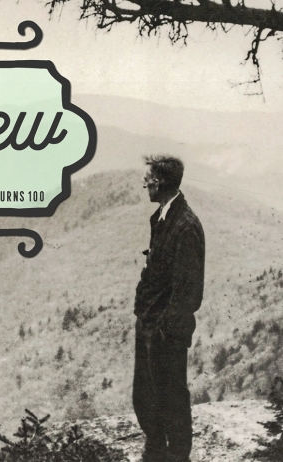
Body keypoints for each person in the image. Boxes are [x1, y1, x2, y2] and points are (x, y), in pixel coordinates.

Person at [133, 155, 205, 462]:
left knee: (171, 400)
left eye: (147, 180)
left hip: (166, 332)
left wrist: (163, 329)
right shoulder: (163, 218)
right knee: (145, 397)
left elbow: (188, 293)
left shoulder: (185, 226)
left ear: (160, 183)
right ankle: (155, 453)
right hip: (150, 325)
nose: (145, 184)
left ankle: (175, 457)